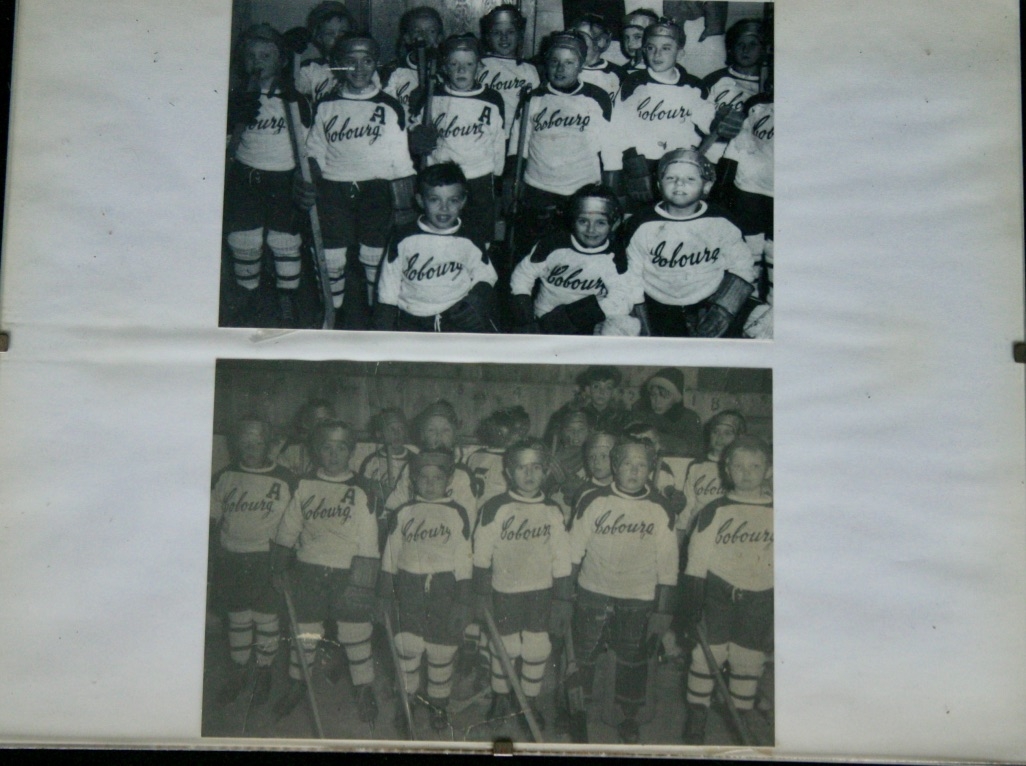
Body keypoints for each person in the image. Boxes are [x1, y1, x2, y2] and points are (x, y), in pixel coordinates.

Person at [568, 435, 678, 743]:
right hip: (593, 591)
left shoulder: (660, 508)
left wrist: (664, 608)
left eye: (641, 465)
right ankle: (580, 709)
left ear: (651, 469)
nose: (634, 470)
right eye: (627, 463)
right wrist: (563, 596)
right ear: (613, 466)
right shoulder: (593, 499)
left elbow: (669, 563)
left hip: (638, 597)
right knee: (584, 655)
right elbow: (573, 550)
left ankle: (628, 715)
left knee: (633, 658)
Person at [269, 420, 381, 721]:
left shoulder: (361, 489)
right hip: (308, 570)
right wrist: (279, 567)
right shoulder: (304, 485)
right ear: (316, 450)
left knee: (355, 631)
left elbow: (368, 541)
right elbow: (288, 529)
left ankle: (363, 687)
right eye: (326, 448)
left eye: (341, 448)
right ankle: (297, 683)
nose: (333, 454)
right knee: (305, 631)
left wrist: (363, 584)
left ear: (352, 452)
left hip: (349, 572)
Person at [305, 34, 416, 319]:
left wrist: (404, 206)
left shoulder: (390, 106)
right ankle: (332, 315)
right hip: (333, 189)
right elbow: (314, 151)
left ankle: (374, 314)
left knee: (374, 254)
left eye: (366, 61)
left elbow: (400, 160)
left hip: (376, 190)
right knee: (331, 258)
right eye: (349, 62)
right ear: (337, 65)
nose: (358, 69)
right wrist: (310, 179)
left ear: (376, 63)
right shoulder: (326, 105)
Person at [472, 439, 574, 731]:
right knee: (504, 646)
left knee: (536, 647)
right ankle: (501, 697)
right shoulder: (496, 507)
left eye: (536, 468)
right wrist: (481, 593)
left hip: (541, 592)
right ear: (508, 472)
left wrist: (563, 598)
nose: (529, 475)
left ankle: (528, 700)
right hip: (504, 591)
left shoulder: (552, 510)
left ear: (546, 472)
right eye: (521, 468)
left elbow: (562, 558)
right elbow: (481, 554)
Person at [680, 436, 773, 744]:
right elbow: (696, 561)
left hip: (759, 597)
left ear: (768, 470)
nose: (747, 473)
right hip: (719, 594)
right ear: (727, 471)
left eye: (756, 466)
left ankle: (739, 719)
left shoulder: (778, 511)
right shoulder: (714, 510)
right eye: (739, 466)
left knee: (748, 659)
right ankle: (697, 717)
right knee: (706, 656)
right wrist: (692, 607)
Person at [378, 448, 474, 732]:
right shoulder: (403, 511)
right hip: (409, 586)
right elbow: (391, 554)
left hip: (444, 588)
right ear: (413, 481)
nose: (430, 483)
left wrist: (463, 599)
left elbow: (464, 559)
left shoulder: (457, 513)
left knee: (441, 649)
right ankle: (406, 699)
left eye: (437, 477)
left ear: (449, 481)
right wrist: (384, 593)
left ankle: (438, 703)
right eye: (423, 477)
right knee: (407, 645)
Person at [602, 20, 736, 214]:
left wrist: (721, 121)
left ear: (680, 52)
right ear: (644, 51)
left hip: (680, 167)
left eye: (666, 48)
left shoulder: (693, 85)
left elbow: (708, 121)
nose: (657, 54)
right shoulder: (633, 83)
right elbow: (616, 131)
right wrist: (621, 169)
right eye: (651, 47)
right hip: (641, 168)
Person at [210, 416, 296, 707]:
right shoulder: (224, 476)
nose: (250, 447)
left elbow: (295, 523)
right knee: (238, 617)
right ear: (235, 444)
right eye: (244, 441)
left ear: (269, 444)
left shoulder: (285, 479)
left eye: (257, 442)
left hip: (266, 558)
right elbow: (211, 518)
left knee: (266, 618)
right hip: (232, 557)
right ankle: (238, 672)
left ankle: (264, 671)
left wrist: (285, 561)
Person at [223, 24, 306, 328]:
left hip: (282, 178)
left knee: (284, 239)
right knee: (244, 237)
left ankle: (287, 296)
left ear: (281, 60)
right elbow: (226, 141)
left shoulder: (292, 98)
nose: (257, 62)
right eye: (251, 56)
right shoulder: (234, 98)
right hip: (247, 175)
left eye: (266, 55)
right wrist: (233, 116)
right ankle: (248, 294)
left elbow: (308, 143)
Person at [625, 149, 757, 337]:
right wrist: (639, 314)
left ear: (706, 186)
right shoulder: (642, 222)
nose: (679, 183)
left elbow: (742, 266)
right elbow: (632, 274)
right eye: (670, 178)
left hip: (711, 299)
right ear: (658, 185)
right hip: (657, 302)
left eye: (690, 179)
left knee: (764, 323)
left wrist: (723, 310)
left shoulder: (721, 221)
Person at [507, 31, 613, 258]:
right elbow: (519, 142)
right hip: (539, 187)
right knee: (533, 252)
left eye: (569, 62)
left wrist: (611, 186)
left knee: (575, 251)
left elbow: (609, 147)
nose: (560, 68)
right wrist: (511, 179)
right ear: (545, 64)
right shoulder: (533, 98)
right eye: (554, 61)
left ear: (581, 65)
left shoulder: (596, 98)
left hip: (582, 187)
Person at [373, 162, 500, 333]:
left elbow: (486, 275)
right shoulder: (403, 237)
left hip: (456, 315)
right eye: (434, 199)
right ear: (420, 200)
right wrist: (384, 329)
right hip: (412, 317)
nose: (444, 208)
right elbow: (389, 285)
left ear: (463, 201)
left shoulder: (471, 237)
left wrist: (477, 298)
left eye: (453, 200)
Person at [408, 34, 507, 247]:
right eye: (454, 64)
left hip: (478, 175)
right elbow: (415, 127)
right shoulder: (433, 96)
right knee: (443, 229)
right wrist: (417, 135)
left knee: (479, 231)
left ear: (479, 67)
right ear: (444, 67)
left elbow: (498, 141)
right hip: (442, 177)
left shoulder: (491, 99)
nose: (461, 70)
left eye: (468, 64)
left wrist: (497, 174)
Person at [510, 184, 639, 336]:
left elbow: (623, 296)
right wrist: (526, 317)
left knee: (628, 326)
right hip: (545, 318)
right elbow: (522, 275)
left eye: (600, 223)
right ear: (572, 220)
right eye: (583, 221)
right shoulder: (553, 244)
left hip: (590, 319)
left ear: (613, 224)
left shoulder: (614, 254)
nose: (591, 230)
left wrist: (573, 316)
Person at [700, 19, 768, 165]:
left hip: (751, 161)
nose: (745, 50)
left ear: (763, 49)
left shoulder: (769, 86)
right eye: (740, 44)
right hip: (713, 157)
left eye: (753, 44)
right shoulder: (714, 79)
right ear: (731, 49)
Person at [477, 5, 541, 143]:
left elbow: (536, 107)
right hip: (484, 136)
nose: (504, 38)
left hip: (516, 137)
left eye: (510, 32)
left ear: (520, 35)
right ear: (487, 37)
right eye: (497, 33)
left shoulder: (529, 70)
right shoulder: (479, 65)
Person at [680, 409, 746, 532]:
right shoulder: (697, 466)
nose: (720, 437)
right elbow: (689, 503)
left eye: (727, 433)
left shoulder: (743, 467)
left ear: (739, 437)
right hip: (699, 530)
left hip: (730, 529)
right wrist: (682, 530)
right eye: (715, 432)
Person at [381, 6, 445, 119]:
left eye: (431, 31)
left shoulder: (447, 71)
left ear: (440, 38)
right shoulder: (392, 70)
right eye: (417, 31)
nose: (424, 36)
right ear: (407, 38)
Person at [293, 2, 357, 107]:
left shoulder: (360, 67)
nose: (338, 38)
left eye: (343, 32)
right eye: (329, 33)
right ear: (319, 37)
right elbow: (291, 91)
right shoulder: (310, 69)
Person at [629, 367, 703, 458]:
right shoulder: (642, 414)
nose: (657, 401)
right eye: (653, 395)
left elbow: (695, 449)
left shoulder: (689, 418)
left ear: (676, 398)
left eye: (664, 396)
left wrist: (658, 438)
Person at [359, 408, 416, 508]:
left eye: (401, 428)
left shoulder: (415, 460)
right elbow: (362, 492)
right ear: (379, 434)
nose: (397, 433)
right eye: (391, 429)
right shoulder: (371, 461)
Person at [569, 14, 625, 101]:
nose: (574, 43)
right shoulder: (564, 70)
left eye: (581, 38)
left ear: (601, 42)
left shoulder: (618, 74)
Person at [276, 398, 336, 477]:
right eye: (319, 421)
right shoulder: (292, 453)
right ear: (306, 424)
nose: (325, 426)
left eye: (329, 421)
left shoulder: (345, 453)